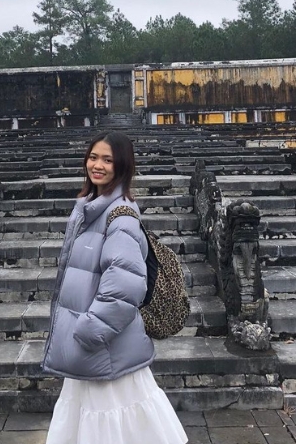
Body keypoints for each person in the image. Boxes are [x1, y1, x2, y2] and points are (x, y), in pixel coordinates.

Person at [41, 131, 188, 444]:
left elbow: (124, 287)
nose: (98, 165)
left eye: (107, 160)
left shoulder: (119, 217)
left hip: (103, 343)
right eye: (93, 157)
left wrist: (89, 330)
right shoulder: (91, 208)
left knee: (110, 421)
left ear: (122, 167)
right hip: (94, 345)